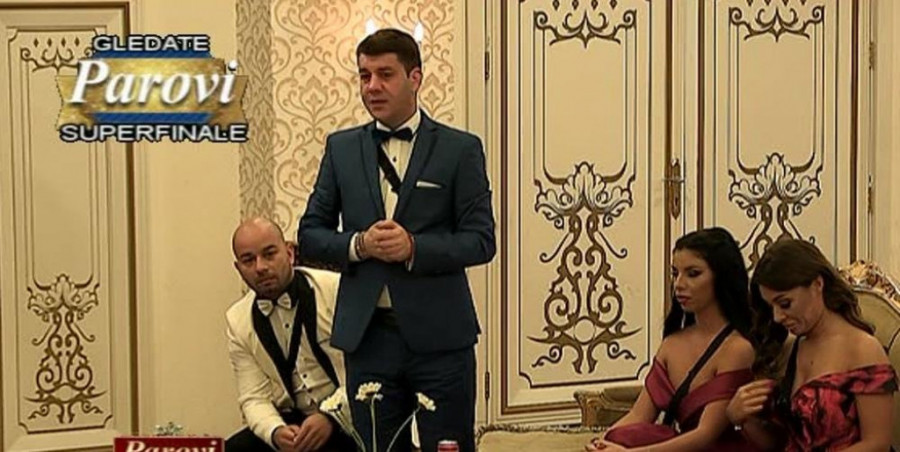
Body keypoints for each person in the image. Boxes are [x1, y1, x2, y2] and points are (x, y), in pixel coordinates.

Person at [298, 28, 495, 452]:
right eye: (364, 75)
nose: (372, 86)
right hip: (368, 338)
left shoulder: (460, 149)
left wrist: (414, 248)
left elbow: (481, 240)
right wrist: (359, 245)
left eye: (385, 74)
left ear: (415, 78)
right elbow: (310, 236)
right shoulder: (341, 149)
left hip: (442, 337)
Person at [587, 228, 758, 451]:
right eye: (675, 273)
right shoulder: (672, 344)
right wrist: (602, 442)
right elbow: (639, 415)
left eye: (693, 274)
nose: (679, 284)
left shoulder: (737, 349)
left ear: (722, 276)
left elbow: (705, 435)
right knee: (619, 436)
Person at [726, 238, 897, 451]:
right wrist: (741, 419)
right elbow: (780, 444)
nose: (777, 317)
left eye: (785, 303)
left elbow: (877, 444)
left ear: (817, 284)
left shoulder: (862, 349)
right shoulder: (790, 349)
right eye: (771, 307)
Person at [225, 217, 356, 452]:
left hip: (349, 414)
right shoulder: (237, 320)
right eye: (248, 260)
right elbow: (253, 397)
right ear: (238, 268)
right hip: (292, 421)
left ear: (289, 253)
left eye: (269, 254)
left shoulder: (336, 290)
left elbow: (368, 372)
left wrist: (331, 416)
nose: (260, 267)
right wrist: (275, 432)